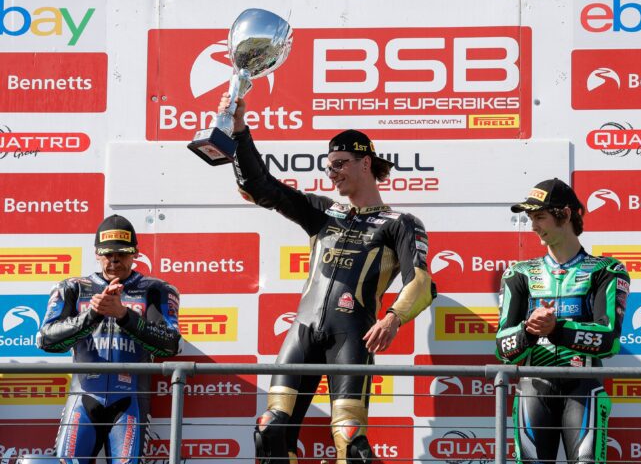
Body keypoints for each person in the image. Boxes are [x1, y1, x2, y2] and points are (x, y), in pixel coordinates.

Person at [219, 94, 436, 464]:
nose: (331, 172)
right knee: (270, 428)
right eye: (328, 166)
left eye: (339, 164)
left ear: (365, 162)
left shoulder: (399, 223)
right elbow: (261, 187)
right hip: (302, 329)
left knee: (349, 438)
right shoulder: (321, 211)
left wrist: (393, 318)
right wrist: (239, 130)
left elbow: (422, 283)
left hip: (352, 335)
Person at [495, 178, 630, 464]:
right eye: (531, 218)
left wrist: (557, 329)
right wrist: (530, 331)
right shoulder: (518, 273)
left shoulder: (607, 270)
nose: (533, 226)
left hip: (584, 386)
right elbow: (502, 348)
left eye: (539, 217)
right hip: (533, 386)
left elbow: (609, 340)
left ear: (565, 214)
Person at [37, 214, 182, 464]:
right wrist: (92, 315)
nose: (114, 259)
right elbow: (45, 340)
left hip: (131, 401)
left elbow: (171, 345)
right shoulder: (73, 288)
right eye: (107, 253)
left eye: (122, 253)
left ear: (135, 253)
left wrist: (124, 316)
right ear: (96, 253)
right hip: (83, 398)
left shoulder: (156, 289)